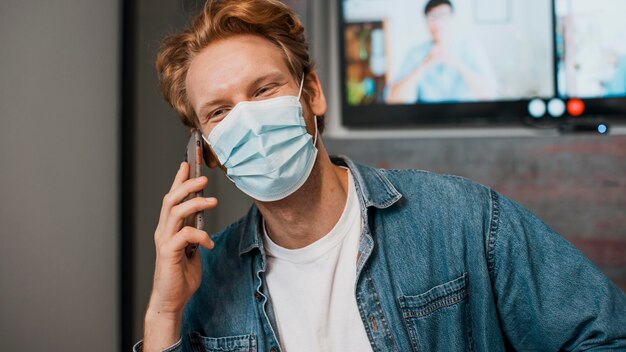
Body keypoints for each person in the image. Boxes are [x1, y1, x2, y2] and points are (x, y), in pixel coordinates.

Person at [136, 0, 626, 351]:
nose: (247, 121)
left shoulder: (463, 221)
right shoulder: (205, 283)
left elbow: (604, 337)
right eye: (220, 112)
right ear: (208, 152)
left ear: (313, 96)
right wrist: (164, 313)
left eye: (264, 90)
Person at [386, 0, 497, 104]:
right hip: (427, 120)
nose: (437, 22)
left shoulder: (470, 48)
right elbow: (394, 99)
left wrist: (457, 63)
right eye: (431, 17)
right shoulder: (415, 54)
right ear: (425, 22)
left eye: (443, 16)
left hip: (466, 119)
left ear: (452, 19)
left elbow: (489, 95)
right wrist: (424, 65)